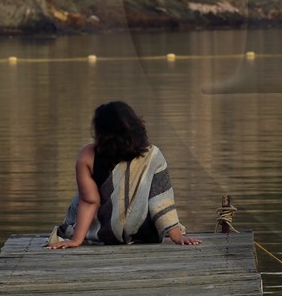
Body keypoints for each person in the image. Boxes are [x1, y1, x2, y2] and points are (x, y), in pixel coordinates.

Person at [47, 100, 202, 248]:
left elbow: (90, 201)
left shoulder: (87, 155)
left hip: (103, 231)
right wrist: (176, 236)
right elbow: (160, 199)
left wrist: (76, 240)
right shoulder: (152, 155)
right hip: (142, 232)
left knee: (80, 197)